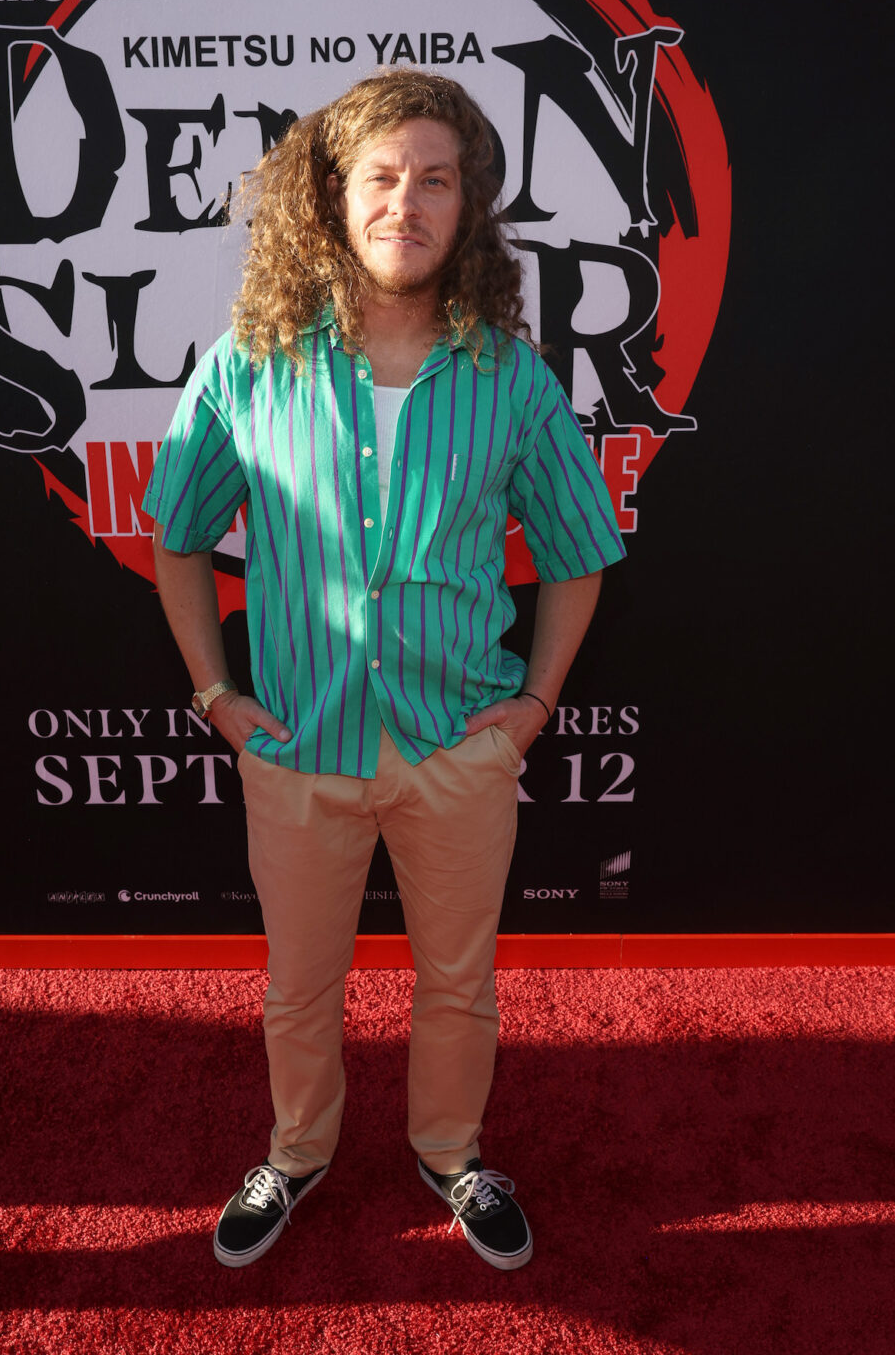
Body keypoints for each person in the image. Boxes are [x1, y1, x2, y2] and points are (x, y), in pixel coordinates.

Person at [144, 68, 625, 1272]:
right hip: (297, 742)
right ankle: (296, 1151)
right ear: (334, 196)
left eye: (434, 180)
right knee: (297, 988)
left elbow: (576, 556)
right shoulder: (250, 363)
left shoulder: (510, 378)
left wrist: (529, 710)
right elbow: (177, 537)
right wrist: (216, 696)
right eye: (380, 177)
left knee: (458, 986)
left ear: (467, 210)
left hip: (459, 743)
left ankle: (449, 1154)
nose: (404, 202)